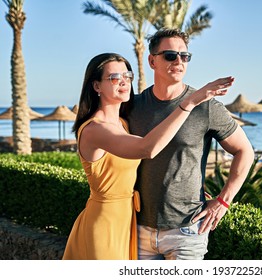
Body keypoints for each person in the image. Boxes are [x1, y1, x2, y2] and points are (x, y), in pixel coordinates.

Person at [62, 53, 234, 260]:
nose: (124, 81)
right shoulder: (94, 130)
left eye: (127, 75)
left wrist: (189, 189)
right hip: (105, 224)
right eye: (115, 77)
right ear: (96, 86)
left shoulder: (124, 123)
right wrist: (188, 103)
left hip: (130, 223)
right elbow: (147, 149)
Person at [128, 28, 254, 260]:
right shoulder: (133, 107)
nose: (178, 61)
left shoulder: (205, 106)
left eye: (184, 56)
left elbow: (244, 151)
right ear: (151, 60)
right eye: (170, 55)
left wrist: (223, 201)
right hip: (138, 229)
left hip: (187, 231)